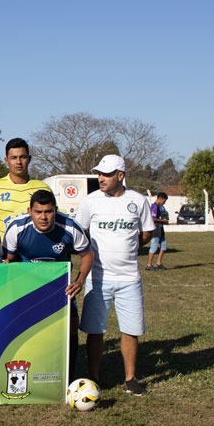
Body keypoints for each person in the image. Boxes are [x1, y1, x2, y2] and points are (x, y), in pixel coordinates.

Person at [75, 154, 155, 395]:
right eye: (99, 173)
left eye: (107, 174)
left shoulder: (138, 200)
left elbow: (147, 233)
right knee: (95, 330)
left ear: (121, 176)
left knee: (130, 329)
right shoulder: (90, 201)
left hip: (129, 279)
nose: (101, 178)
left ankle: (130, 378)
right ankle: (94, 376)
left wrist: (127, 248)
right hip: (97, 278)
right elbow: (80, 233)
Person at [3, 189, 94, 379]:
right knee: (25, 329)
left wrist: (79, 280)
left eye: (48, 211)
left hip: (59, 286)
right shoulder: (16, 229)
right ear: (30, 211)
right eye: (38, 212)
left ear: (55, 210)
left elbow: (87, 254)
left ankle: (68, 375)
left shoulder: (70, 227)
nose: (43, 217)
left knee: (70, 325)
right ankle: (28, 368)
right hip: (26, 286)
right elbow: (8, 261)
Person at [0, 138, 52, 239]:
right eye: (14, 158)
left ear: (29, 159)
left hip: (35, 250)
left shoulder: (43, 188)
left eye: (22, 157)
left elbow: (53, 219)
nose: (18, 162)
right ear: (6, 160)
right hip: (4, 250)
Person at [146, 192, 169, 270]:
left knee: (163, 246)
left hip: (160, 229)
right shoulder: (154, 206)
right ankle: (149, 265)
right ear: (160, 199)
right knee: (153, 247)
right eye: (164, 201)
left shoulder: (160, 207)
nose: (164, 203)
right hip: (155, 230)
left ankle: (158, 263)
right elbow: (152, 218)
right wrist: (163, 221)